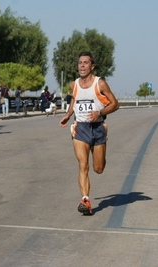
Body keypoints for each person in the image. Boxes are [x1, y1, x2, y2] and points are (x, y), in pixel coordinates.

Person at [59, 51, 119, 215]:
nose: (82, 66)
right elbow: (74, 100)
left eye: (86, 63)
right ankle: (85, 200)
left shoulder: (100, 84)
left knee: (98, 168)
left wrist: (99, 113)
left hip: (98, 127)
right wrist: (68, 115)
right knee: (82, 164)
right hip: (80, 128)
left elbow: (115, 104)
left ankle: (102, 145)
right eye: (80, 63)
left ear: (92, 66)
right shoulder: (74, 85)